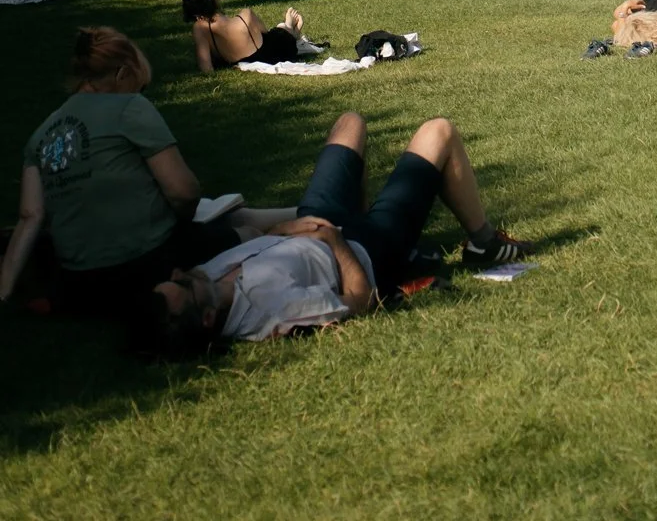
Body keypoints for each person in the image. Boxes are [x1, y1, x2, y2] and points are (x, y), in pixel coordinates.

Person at [148, 108, 532, 352]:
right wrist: (334, 241)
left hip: (316, 219)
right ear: (208, 319)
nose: (181, 274)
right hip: (366, 248)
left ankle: (358, 212)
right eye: (182, 285)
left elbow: (251, 245)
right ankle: (485, 244)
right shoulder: (271, 313)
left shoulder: (208, 277)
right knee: (439, 131)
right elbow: (360, 300)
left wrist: (283, 229)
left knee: (350, 123)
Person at [0, 28, 251, 318]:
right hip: (148, 260)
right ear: (122, 74)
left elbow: (30, 215)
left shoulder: (41, 133)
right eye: (138, 84)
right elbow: (183, 192)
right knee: (246, 234)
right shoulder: (129, 107)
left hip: (81, 280)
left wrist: (4, 290)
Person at [182, 0, 307, 70]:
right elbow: (265, 33)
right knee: (276, 33)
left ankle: (289, 28)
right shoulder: (246, 15)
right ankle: (289, 29)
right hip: (277, 52)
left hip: (262, 56)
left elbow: (206, 68)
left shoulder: (200, 27)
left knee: (278, 32)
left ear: (197, 16)